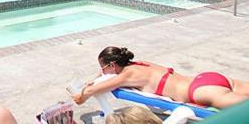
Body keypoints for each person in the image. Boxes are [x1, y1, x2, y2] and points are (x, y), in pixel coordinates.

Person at [72, 46, 249, 109]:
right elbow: (102, 76)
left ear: (112, 65)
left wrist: (80, 96)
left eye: (103, 68)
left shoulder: (127, 75)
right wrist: (99, 74)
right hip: (206, 79)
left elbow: (92, 91)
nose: (102, 72)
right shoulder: (140, 64)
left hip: (202, 92)